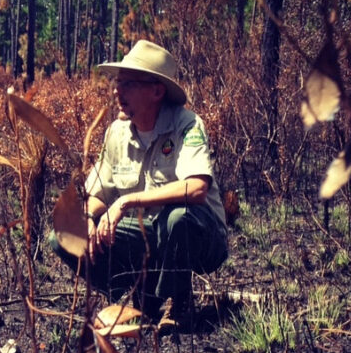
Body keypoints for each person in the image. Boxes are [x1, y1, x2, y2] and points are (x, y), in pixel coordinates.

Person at [53, 39, 227, 330]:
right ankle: (130, 296)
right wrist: (89, 217)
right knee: (64, 235)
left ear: (157, 91)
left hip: (201, 236)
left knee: (177, 219)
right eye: (117, 82)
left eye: (128, 84)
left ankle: (178, 301)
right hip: (147, 237)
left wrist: (125, 202)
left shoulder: (187, 125)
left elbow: (197, 189)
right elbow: (98, 193)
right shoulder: (115, 133)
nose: (116, 91)